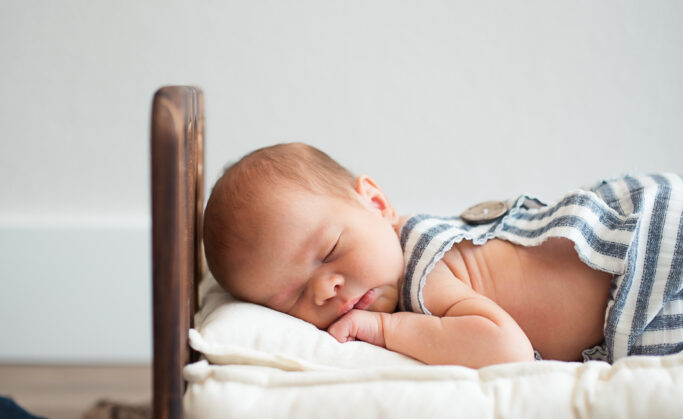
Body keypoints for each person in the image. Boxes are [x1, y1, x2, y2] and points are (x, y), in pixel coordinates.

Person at [203, 143, 683, 368]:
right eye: (291, 298)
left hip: (652, 264)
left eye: (330, 251)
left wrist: (384, 330)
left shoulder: (424, 270)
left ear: (376, 204)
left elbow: (505, 349)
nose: (325, 288)